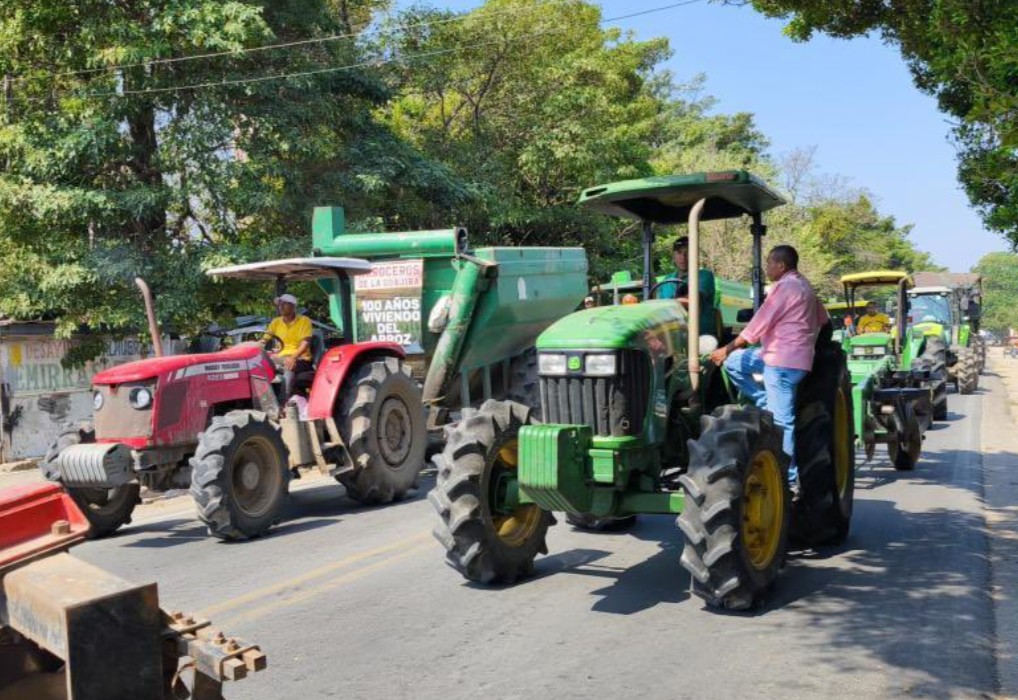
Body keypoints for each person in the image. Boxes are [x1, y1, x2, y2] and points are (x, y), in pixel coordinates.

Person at [708, 245, 828, 487]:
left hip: (782, 362)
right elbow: (823, 320)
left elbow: (757, 325)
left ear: (781, 266)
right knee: (734, 363)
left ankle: (788, 481)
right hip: (787, 357)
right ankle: (764, 403)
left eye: (769, 263)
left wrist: (725, 348)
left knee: (781, 423)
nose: (767, 267)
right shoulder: (805, 286)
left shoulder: (784, 288)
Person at [658, 236, 717, 337]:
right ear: (674, 256)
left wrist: (666, 304)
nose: (683, 257)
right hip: (672, 337)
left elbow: (693, 300)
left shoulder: (703, 275)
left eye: (687, 252)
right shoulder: (666, 280)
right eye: (679, 253)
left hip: (700, 336)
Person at [263, 293, 314, 398]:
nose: (280, 306)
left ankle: (283, 402)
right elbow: (264, 339)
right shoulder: (275, 322)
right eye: (279, 304)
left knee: (289, 367)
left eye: (284, 304)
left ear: (293, 306)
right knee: (258, 364)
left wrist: (292, 357)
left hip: (300, 358)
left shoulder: (304, 321)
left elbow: (305, 343)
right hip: (280, 357)